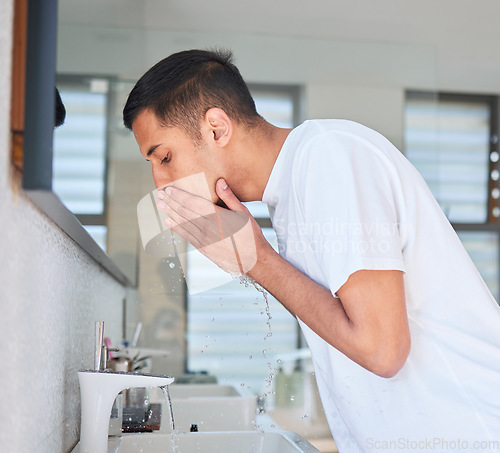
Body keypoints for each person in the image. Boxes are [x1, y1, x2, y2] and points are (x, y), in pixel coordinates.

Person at [123, 49, 500, 452]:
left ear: (216, 128)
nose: (160, 182)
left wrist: (258, 260)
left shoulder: (329, 158)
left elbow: (383, 350)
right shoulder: (292, 190)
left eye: (164, 157)